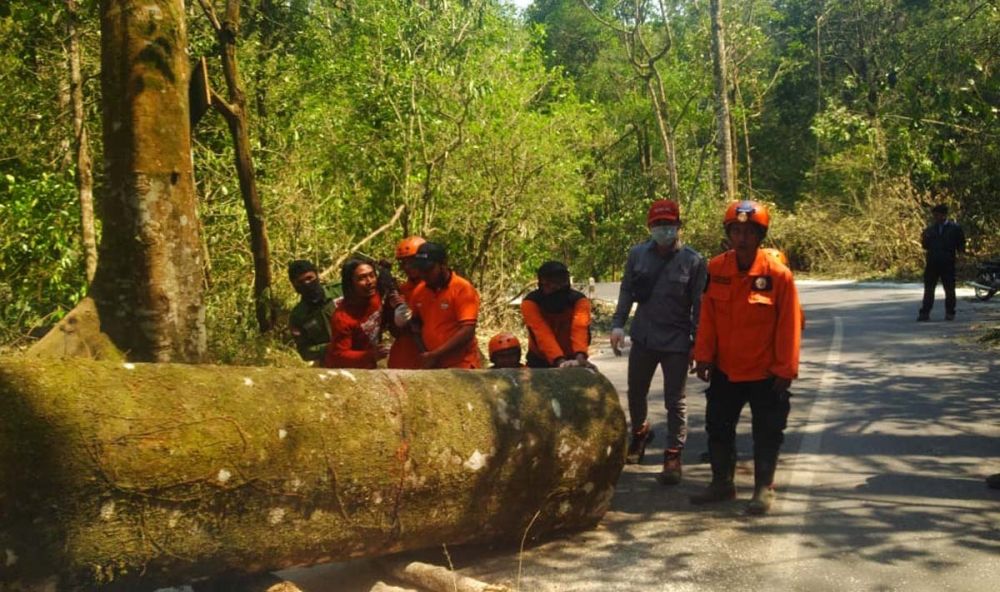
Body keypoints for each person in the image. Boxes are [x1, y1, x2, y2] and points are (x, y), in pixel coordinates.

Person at [690, 200, 802, 515]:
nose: (742, 238)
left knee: (767, 432)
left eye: (748, 232)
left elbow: (789, 324)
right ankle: (722, 483)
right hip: (726, 369)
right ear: (728, 233)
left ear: (760, 236)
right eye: (736, 231)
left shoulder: (778, 275)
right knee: (718, 427)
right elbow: (708, 315)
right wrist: (704, 356)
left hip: (766, 372)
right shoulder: (716, 268)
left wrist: (786, 369)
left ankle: (763, 489)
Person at [610, 199, 707, 485]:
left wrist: (696, 343)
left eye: (669, 224)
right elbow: (627, 290)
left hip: (676, 340)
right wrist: (617, 325)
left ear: (678, 226)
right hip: (643, 336)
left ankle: (673, 453)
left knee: (675, 401)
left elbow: (699, 306)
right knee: (636, 392)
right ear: (650, 227)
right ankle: (640, 432)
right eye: (658, 225)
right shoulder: (637, 255)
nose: (664, 230)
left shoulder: (694, 261)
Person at [408, 242, 481, 369]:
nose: (424, 274)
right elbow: (415, 324)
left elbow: (467, 330)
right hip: (433, 365)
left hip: (461, 365)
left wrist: (436, 354)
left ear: (443, 264)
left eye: (429, 270)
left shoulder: (462, 289)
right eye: (421, 270)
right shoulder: (419, 291)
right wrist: (426, 353)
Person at [521, 261, 592, 368]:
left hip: (572, 357)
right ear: (542, 284)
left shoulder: (579, 301)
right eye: (552, 282)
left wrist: (580, 357)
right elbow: (542, 334)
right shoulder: (530, 303)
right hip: (540, 359)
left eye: (561, 281)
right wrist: (559, 361)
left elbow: (580, 329)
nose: (557, 287)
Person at [323, 259, 388, 369]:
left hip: (370, 364)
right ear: (350, 283)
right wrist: (371, 355)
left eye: (372, 275)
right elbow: (339, 355)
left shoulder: (375, 294)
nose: (369, 281)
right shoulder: (342, 318)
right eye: (362, 278)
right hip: (347, 371)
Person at [287, 259, 341, 364]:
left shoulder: (340, 290)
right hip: (330, 361)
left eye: (309, 278)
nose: (307, 284)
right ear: (294, 286)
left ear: (317, 276)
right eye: (301, 282)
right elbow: (305, 352)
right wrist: (329, 347)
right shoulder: (298, 316)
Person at [918, 204, 966, 321]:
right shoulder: (930, 229)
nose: (936, 217)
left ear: (944, 215)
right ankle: (925, 312)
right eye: (934, 215)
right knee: (929, 289)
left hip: (948, 262)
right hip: (932, 262)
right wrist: (926, 237)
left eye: (938, 215)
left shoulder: (955, 229)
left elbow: (961, 245)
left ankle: (950, 312)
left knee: (949, 289)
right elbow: (925, 245)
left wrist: (961, 259)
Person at [387, 236, 427, 369]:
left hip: (428, 354)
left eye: (412, 262)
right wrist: (394, 310)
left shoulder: (435, 288)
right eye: (404, 263)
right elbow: (395, 331)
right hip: (403, 357)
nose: (408, 267)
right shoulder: (402, 290)